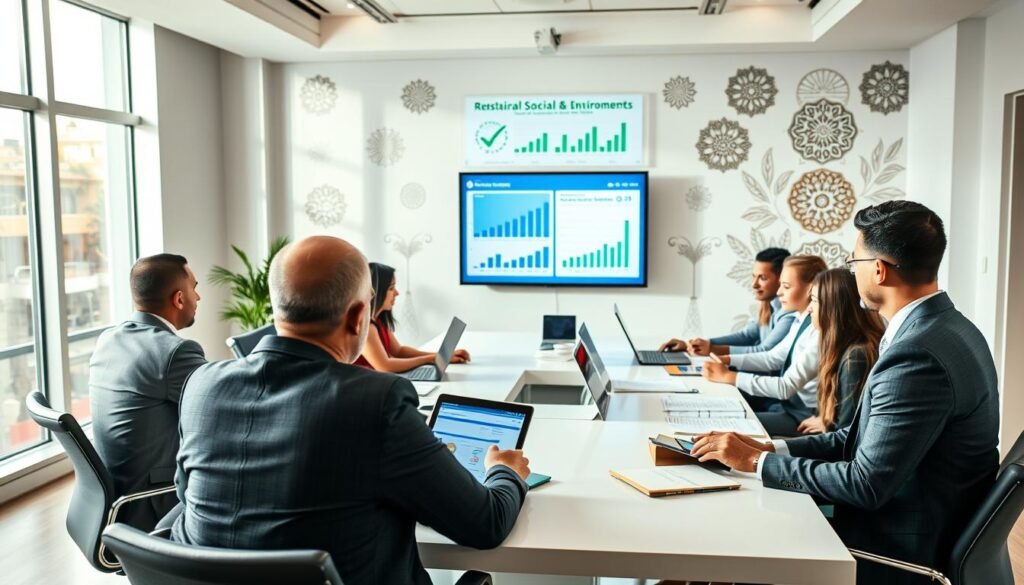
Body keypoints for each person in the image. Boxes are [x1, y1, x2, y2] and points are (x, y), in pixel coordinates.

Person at [171, 236, 530, 585]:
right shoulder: (377, 401)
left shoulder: (203, 384)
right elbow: (485, 524)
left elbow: (186, 496)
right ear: (359, 316)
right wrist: (504, 471)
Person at [690, 201, 1000, 585]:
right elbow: (853, 439)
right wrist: (769, 449)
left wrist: (755, 463)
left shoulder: (916, 355)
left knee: (730, 541)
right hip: (918, 521)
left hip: (894, 547)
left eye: (854, 263)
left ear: (879, 270)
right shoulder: (952, 328)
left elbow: (865, 484)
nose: (852, 272)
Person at [89, 253, 206, 530]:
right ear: (179, 299)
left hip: (115, 498)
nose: (198, 297)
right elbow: (222, 403)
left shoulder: (109, 338)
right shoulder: (174, 352)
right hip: (153, 502)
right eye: (194, 288)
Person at [701, 255, 828, 437]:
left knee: (731, 425)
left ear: (811, 289)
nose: (779, 293)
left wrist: (729, 376)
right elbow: (772, 358)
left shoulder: (818, 331)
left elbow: (785, 387)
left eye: (786, 287)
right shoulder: (801, 320)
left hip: (803, 415)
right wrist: (727, 360)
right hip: (791, 407)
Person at [796, 268, 884, 434]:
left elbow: (847, 434)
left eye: (814, 300)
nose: (809, 309)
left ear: (833, 307)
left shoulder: (856, 358)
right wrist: (826, 421)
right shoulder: (844, 347)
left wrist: (774, 447)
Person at [661, 248, 794, 356]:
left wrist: (711, 349)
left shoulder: (788, 313)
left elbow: (764, 351)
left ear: (782, 279)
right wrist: (695, 345)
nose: (754, 284)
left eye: (762, 278)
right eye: (754, 277)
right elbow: (746, 336)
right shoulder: (767, 306)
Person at [355, 262, 470, 372]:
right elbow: (385, 366)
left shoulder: (379, 320)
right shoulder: (367, 327)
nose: (397, 293)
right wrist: (431, 359)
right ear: (376, 291)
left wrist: (442, 355)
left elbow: (399, 351)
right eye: (391, 288)